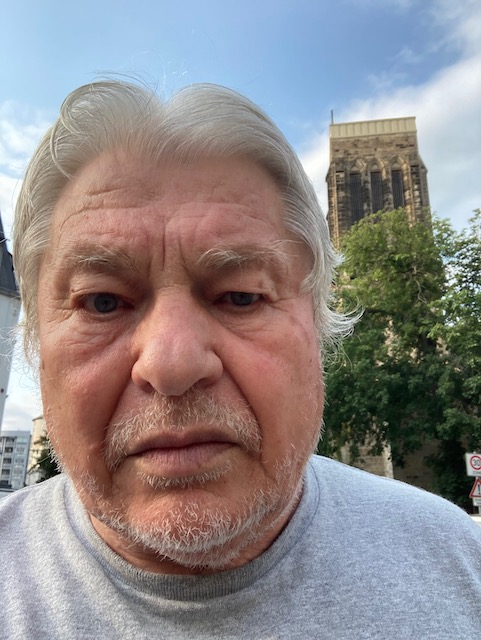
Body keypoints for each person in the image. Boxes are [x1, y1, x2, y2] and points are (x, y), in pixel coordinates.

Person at [1, 79, 480, 640]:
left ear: (320, 326)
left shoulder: (461, 565)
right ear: (35, 343)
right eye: (102, 302)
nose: (172, 365)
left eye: (241, 296)